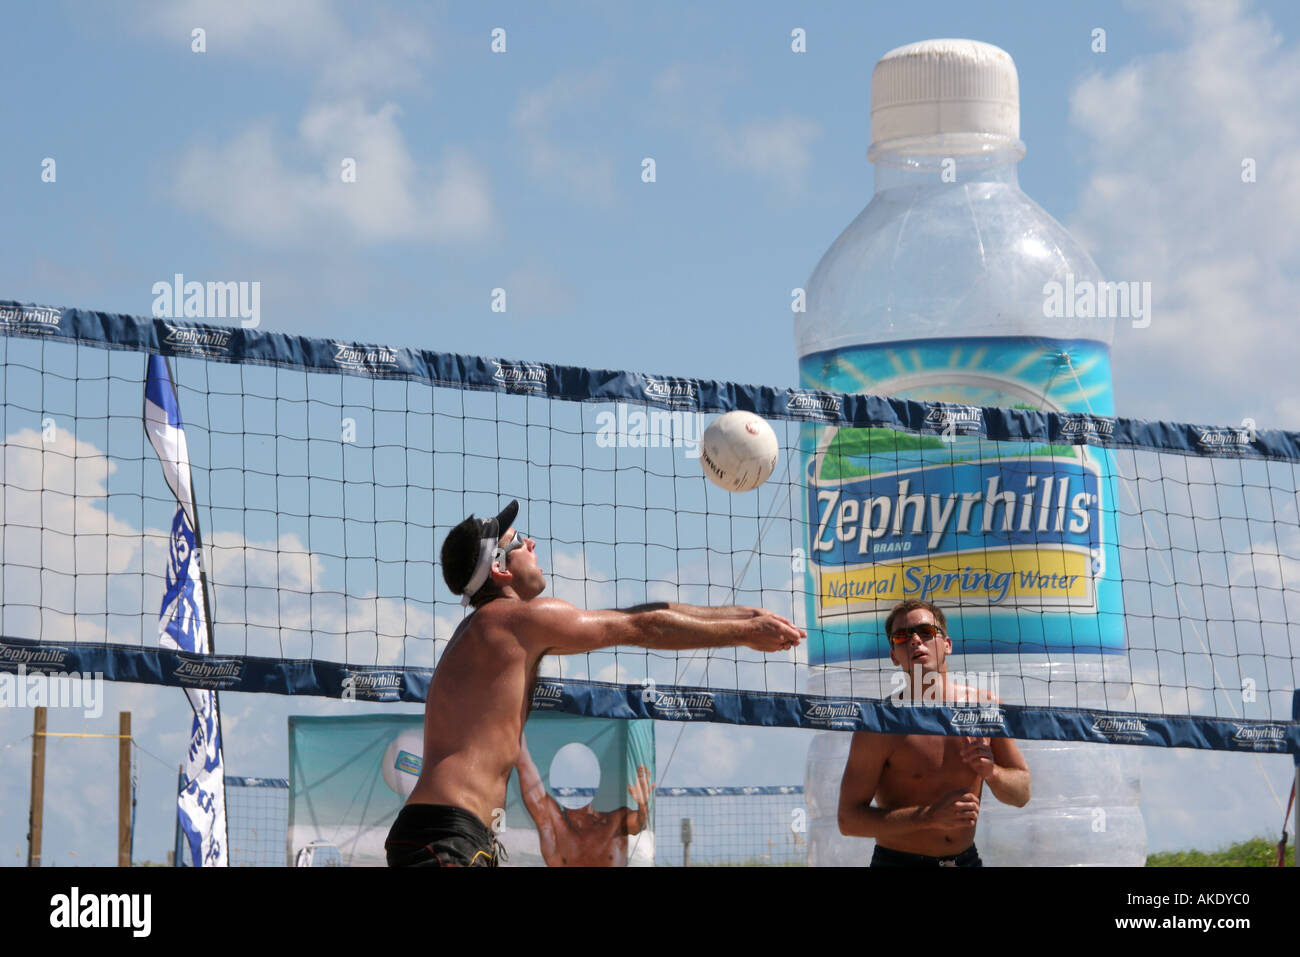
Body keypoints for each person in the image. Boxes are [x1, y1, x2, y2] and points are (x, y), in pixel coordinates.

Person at [385, 500, 804, 867]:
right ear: (499, 568)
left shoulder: (494, 629)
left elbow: (635, 615)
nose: (532, 546)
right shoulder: (511, 622)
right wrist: (743, 635)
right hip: (444, 838)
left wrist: (742, 617)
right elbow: (643, 626)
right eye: (520, 542)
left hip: (446, 834)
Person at [837, 598, 1030, 867]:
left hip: (965, 860)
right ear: (894, 655)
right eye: (902, 637)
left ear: (947, 645)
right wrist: (928, 816)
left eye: (926, 632)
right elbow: (848, 820)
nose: (915, 641)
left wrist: (992, 772)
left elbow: (1021, 794)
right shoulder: (879, 723)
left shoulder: (984, 706)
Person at [514, 732, 652, 866]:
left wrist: (643, 805)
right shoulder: (553, 824)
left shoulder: (615, 822)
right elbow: (523, 763)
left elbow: (640, 824)